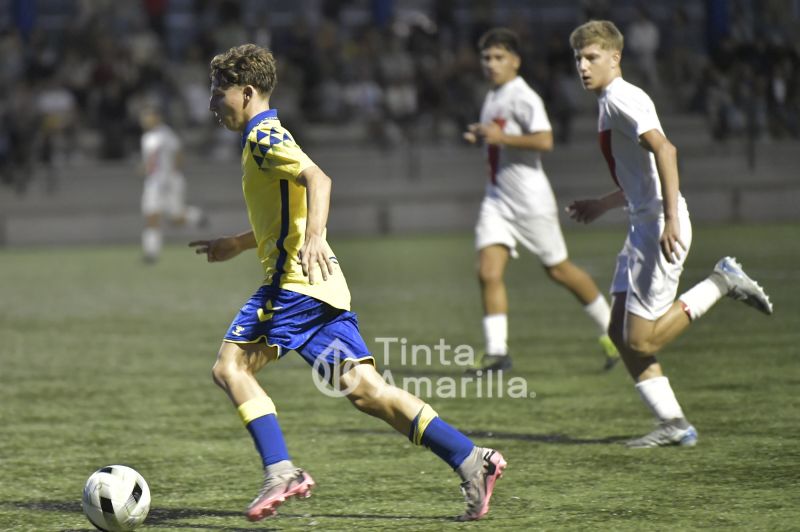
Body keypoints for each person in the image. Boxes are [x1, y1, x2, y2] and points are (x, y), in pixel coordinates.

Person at [189, 44, 506, 522]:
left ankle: (281, 472)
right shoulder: (264, 137)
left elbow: (319, 179)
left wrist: (315, 235)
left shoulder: (262, 136)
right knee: (366, 390)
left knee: (230, 368)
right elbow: (286, 213)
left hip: (293, 285)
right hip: (323, 287)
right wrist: (237, 242)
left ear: (247, 91)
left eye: (219, 93)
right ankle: (471, 459)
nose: (213, 104)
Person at [567, 20, 773, 448]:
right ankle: (673, 424)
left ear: (615, 57)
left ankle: (722, 282)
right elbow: (640, 175)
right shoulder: (608, 99)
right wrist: (602, 204)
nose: (582, 67)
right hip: (642, 223)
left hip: (657, 227)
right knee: (621, 333)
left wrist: (672, 220)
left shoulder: (623, 98)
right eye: (578, 59)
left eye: (591, 57)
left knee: (640, 339)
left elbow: (666, 150)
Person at [463, 28, 618, 373]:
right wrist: (481, 136)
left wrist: (500, 136)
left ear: (515, 61)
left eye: (499, 57)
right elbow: (500, 138)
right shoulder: (493, 96)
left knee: (559, 270)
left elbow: (545, 140)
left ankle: (612, 330)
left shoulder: (523, 96)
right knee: (487, 271)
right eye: (487, 58)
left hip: (530, 200)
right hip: (497, 199)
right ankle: (497, 353)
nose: (491, 63)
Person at [139, 105, 206, 263]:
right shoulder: (146, 137)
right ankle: (151, 253)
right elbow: (150, 161)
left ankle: (195, 216)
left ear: (157, 117)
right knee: (151, 216)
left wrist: (173, 176)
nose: (144, 120)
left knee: (175, 219)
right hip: (152, 184)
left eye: (148, 116)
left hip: (167, 183)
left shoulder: (166, 134)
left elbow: (178, 155)